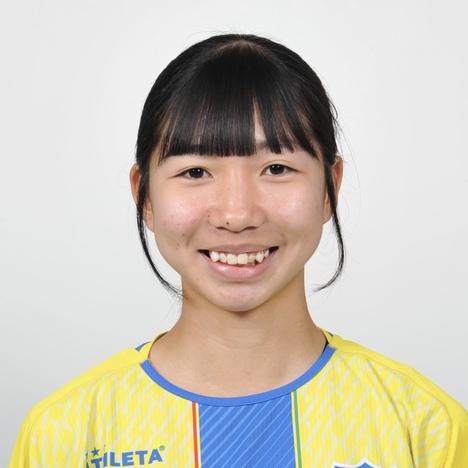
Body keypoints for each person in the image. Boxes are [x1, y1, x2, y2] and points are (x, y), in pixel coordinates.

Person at [10, 34, 468, 468]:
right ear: (144, 196)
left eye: (276, 168)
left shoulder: (425, 425)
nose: (236, 214)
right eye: (195, 172)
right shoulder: (63, 433)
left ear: (330, 188)